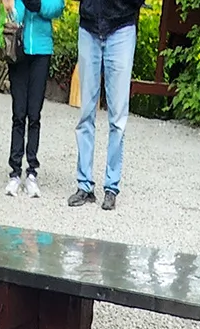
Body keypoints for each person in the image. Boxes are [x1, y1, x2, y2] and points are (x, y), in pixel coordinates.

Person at [68, 0, 143, 210]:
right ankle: (84, 185)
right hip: (89, 27)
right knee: (85, 113)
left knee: (117, 117)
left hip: (121, 27)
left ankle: (111, 187)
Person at [2, 0, 65, 198]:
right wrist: (11, 9)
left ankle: (31, 171)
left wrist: (38, 5)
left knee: (34, 114)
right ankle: (14, 172)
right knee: (18, 113)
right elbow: (9, 18)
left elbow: (58, 8)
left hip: (41, 50)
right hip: (18, 47)